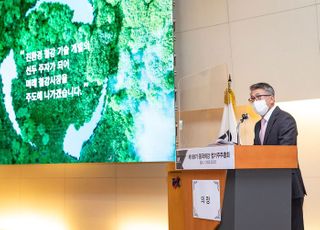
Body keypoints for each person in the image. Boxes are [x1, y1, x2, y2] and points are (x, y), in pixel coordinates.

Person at [249, 82, 306, 230]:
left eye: (258, 97)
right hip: (267, 187)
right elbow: (256, 155)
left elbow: (285, 153)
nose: (255, 102)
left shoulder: (285, 120)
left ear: (272, 99)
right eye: (252, 99)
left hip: (286, 185)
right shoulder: (257, 125)